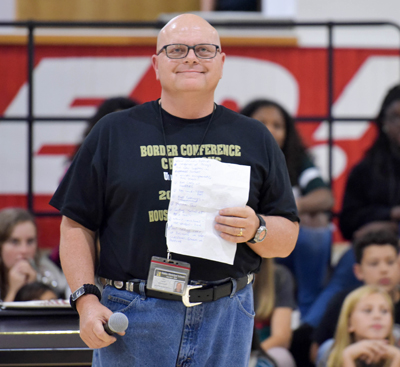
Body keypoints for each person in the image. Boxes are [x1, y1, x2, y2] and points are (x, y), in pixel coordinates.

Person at [49, 14, 299, 367]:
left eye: (204, 50)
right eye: (177, 49)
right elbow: (75, 225)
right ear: (156, 64)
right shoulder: (114, 133)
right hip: (132, 315)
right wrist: (86, 302)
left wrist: (256, 228)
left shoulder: (255, 137)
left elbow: (287, 238)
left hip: (227, 315)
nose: (191, 58)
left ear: (222, 62)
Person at [241, 99, 334, 322]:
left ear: (287, 133)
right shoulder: (231, 156)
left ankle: (306, 316)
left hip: (285, 243)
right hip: (244, 239)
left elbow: (324, 197)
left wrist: (288, 207)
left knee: (317, 225)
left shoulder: (296, 161)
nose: (270, 130)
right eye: (261, 122)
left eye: (278, 125)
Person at [312, 230, 400, 364]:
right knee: (328, 347)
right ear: (358, 271)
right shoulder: (344, 300)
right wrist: (347, 356)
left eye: (390, 262)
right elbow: (317, 349)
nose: (384, 270)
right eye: (374, 263)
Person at [318, 285, 400, 367]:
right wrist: (347, 357)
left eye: (384, 311)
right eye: (368, 310)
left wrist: (397, 358)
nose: (377, 316)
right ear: (349, 323)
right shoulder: (330, 352)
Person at [0, 207, 67, 302]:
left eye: (30, 241)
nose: (24, 250)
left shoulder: (49, 275)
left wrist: (33, 289)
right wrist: (14, 291)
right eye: (14, 242)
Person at [253, 258, 297, 367]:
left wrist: (250, 355)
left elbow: (281, 337)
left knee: (282, 357)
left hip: (263, 348)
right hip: (229, 348)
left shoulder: (278, 276)